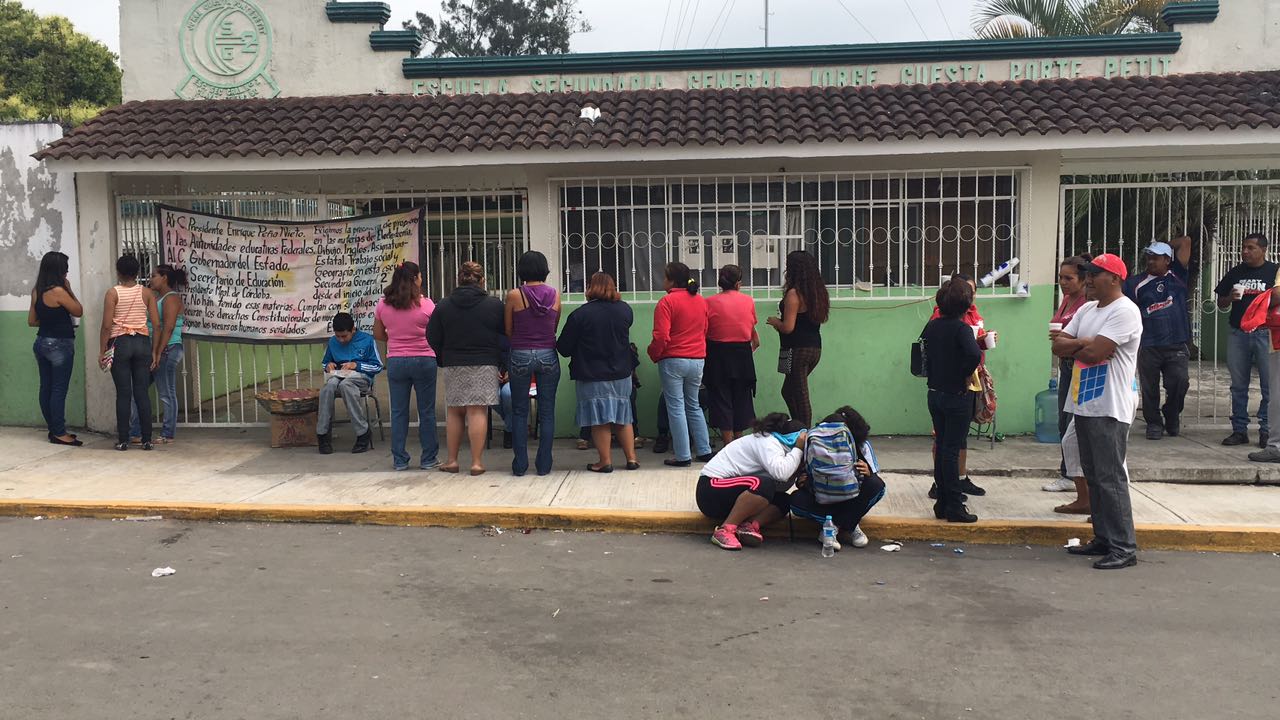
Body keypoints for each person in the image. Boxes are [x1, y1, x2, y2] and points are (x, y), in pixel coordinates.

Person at [1053, 253, 1143, 570]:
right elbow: (1057, 346)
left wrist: (1080, 344)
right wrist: (1084, 341)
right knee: (1094, 476)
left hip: (1109, 405)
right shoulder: (1089, 309)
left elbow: (1093, 354)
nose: (1088, 279)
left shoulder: (1125, 312)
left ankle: (1123, 547)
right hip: (1084, 402)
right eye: (1088, 273)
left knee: (1110, 477)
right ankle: (1103, 539)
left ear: (1115, 278)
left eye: (1096, 274)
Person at [427, 261, 505, 475]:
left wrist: (443, 357)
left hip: (454, 362)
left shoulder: (443, 305)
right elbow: (504, 335)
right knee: (478, 410)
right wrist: (501, 360)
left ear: (458, 279)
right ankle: (477, 462)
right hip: (485, 362)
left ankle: (452, 460)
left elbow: (432, 336)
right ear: (482, 281)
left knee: (454, 411)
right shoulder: (494, 305)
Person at [557, 272, 639, 473]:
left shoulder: (580, 315)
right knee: (623, 415)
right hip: (622, 372)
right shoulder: (625, 310)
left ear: (591, 287)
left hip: (592, 374)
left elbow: (564, 347)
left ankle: (605, 461)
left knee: (599, 419)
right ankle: (631, 459)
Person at [921, 276, 983, 522]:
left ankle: (943, 502)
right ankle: (955, 506)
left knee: (942, 447)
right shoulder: (961, 329)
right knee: (951, 451)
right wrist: (965, 375)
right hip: (957, 395)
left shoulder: (932, 327)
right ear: (965, 304)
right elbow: (973, 354)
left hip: (935, 393)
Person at [695, 413, 807, 551]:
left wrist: (797, 472)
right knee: (763, 484)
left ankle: (749, 526)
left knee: (783, 500)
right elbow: (781, 473)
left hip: (730, 494)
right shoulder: (767, 441)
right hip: (711, 488)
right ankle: (725, 530)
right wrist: (798, 449)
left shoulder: (777, 447)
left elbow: (781, 486)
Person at [788, 405, 886, 550]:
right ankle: (850, 523)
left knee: (876, 485)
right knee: (795, 501)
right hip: (823, 497)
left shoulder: (863, 446)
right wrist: (803, 482)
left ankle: (833, 527)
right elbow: (803, 475)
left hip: (850, 497)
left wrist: (868, 472)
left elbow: (872, 478)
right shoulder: (815, 442)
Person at [372, 261, 438, 471]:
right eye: (420, 276)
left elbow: (378, 333)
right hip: (424, 360)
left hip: (397, 360)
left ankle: (400, 460)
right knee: (426, 411)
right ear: (415, 279)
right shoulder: (427, 305)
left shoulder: (383, 304)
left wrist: (395, 340)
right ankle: (428, 459)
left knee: (398, 412)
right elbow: (436, 333)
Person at [1124, 239, 1192, 440]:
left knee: (1180, 382)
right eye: (1149, 257)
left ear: (1167, 260)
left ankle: (1171, 414)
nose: (1151, 261)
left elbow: (1186, 241)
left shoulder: (1178, 275)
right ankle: (1153, 423)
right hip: (1149, 343)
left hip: (1177, 342)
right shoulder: (1135, 283)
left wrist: (1163, 243)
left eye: (1156, 257)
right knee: (1149, 387)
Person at [1215, 233, 1278, 448]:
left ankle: (1266, 430)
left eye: (1250, 248)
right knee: (1238, 385)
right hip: (1238, 333)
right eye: (1243, 247)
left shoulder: (1274, 272)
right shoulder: (1235, 272)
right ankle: (1239, 430)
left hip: (1265, 333)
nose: (1245, 251)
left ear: (1263, 250)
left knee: (1268, 386)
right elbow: (1221, 304)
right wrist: (1228, 298)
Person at [648, 261, 712, 467]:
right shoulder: (701, 301)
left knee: (675, 407)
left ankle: (682, 455)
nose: (662, 280)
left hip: (674, 359)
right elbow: (705, 330)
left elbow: (661, 336)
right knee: (693, 405)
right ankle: (704, 450)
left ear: (672, 280)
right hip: (697, 359)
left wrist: (654, 353)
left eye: (665, 277)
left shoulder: (666, 302)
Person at [505, 251, 562, 476]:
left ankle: (520, 465)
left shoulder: (514, 295)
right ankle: (544, 466)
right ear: (545, 269)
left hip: (520, 353)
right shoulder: (556, 295)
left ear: (522, 270)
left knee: (519, 411)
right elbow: (554, 327)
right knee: (547, 412)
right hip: (548, 353)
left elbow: (508, 329)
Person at [1045, 254, 1093, 514]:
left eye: (1069, 278)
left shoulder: (1087, 303)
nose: (1063, 283)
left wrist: (1067, 342)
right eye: (1061, 278)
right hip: (1066, 364)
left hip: (1078, 364)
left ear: (1084, 280)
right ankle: (1071, 477)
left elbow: (1085, 339)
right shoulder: (1067, 300)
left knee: (1076, 427)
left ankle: (1076, 481)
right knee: (1066, 425)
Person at [99, 255, 162, 451]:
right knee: (142, 393)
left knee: (124, 394)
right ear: (137, 272)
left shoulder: (112, 293)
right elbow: (157, 325)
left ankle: (124, 440)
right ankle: (147, 439)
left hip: (120, 343)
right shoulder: (147, 293)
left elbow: (107, 326)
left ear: (118, 272)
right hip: (142, 343)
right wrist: (155, 352)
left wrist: (102, 350)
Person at [767, 250, 828, 427]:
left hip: (797, 350)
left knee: (800, 395)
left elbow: (788, 327)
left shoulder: (794, 294)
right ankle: (797, 426)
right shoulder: (817, 292)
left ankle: (805, 434)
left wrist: (775, 322)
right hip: (814, 348)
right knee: (788, 391)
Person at [28, 251, 83, 446]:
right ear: (59, 270)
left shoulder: (37, 290)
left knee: (46, 387)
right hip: (60, 344)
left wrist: (50, 319)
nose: (67, 272)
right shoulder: (59, 291)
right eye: (65, 269)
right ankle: (60, 433)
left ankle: (54, 429)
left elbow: (32, 321)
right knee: (59, 389)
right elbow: (78, 310)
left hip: (41, 342)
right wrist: (69, 290)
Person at [128, 264, 188, 445]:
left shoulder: (171, 298)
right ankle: (136, 432)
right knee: (136, 390)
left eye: (153, 275)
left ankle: (168, 434)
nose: (150, 279)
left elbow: (167, 328)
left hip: (168, 349)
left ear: (164, 278)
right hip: (155, 351)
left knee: (166, 393)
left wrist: (158, 353)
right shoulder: (156, 297)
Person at [704, 264, 759, 446]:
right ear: (738, 283)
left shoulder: (709, 302)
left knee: (721, 398)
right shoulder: (748, 301)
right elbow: (752, 331)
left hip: (717, 353)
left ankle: (727, 444)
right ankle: (739, 442)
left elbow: (705, 330)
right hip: (742, 353)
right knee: (742, 398)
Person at [316, 311, 383, 454]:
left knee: (346, 385)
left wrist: (356, 365)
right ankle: (322, 434)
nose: (341, 340)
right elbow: (325, 362)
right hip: (339, 376)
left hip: (361, 378)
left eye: (344, 336)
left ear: (353, 329)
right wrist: (328, 366)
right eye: (338, 336)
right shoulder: (333, 341)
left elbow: (377, 366)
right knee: (327, 389)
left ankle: (362, 433)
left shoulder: (367, 340)